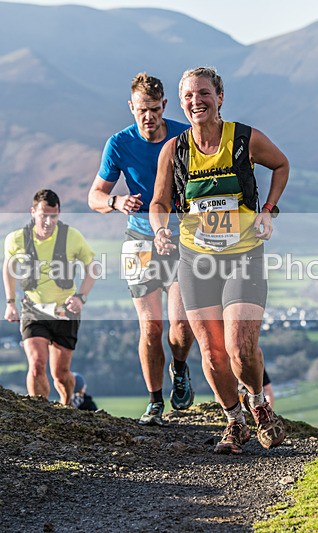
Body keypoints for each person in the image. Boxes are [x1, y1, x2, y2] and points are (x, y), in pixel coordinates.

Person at [149, 66, 289, 454]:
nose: (197, 101)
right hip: (196, 261)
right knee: (211, 353)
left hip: (244, 255)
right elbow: (159, 202)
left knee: (240, 347)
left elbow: (281, 165)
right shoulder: (174, 150)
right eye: (189, 96)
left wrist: (268, 210)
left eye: (204, 93)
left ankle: (259, 405)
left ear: (220, 97)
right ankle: (234, 421)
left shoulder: (244, 138)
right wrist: (160, 230)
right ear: (181, 103)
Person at [88, 72, 195, 426]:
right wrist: (116, 202)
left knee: (181, 326)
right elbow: (94, 196)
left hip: (181, 239)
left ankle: (180, 367)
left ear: (164, 105)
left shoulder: (184, 136)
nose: (148, 117)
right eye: (141, 110)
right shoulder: (119, 143)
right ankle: (154, 402)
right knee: (150, 327)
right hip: (139, 240)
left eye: (154, 109)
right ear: (131, 107)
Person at [3, 189, 96, 405]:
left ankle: (67, 403)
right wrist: (10, 302)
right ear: (32, 212)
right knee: (36, 365)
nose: (48, 221)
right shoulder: (16, 239)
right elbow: (8, 269)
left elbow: (92, 268)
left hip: (65, 311)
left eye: (53, 216)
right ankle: (39, 412)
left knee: (60, 374)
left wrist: (80, 297)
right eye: (43, 215)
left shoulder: (72, 237)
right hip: (33, 309)